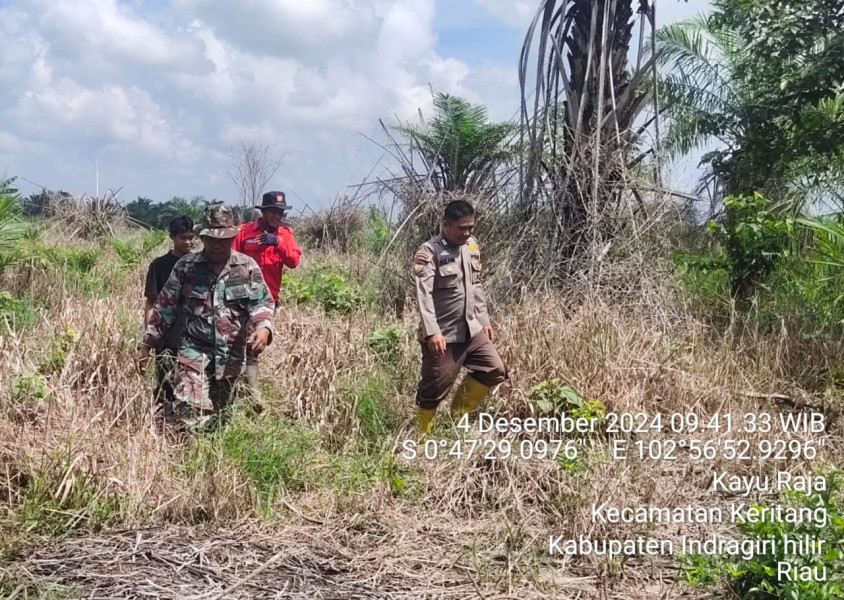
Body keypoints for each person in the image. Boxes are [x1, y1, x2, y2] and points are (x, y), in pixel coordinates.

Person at [136, 205, 275, 432]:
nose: (218, 245)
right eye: (212, 240)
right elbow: (165, 308)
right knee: (192, 410)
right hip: (194, 351)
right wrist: (147, 344)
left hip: (231, 355)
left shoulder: (246, 267)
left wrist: (264, 328)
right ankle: (191, 459)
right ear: (203, 238)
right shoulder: (186, 267)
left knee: (223, 417)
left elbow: (262, 303)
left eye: (224, 240)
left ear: (233, 237)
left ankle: (216, 460)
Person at [411, 200, 507, 434]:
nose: (467, 233)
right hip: (444, 334)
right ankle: (422, 439)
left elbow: (476, 286)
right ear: (446, 225)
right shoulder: (429, 252)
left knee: (495, 369)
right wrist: (432, 331)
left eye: (470, 227)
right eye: (461, 228)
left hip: (472, 329)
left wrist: (484, 321)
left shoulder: (471, 246)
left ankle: (457, 418)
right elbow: (424, 296)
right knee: (433, 391)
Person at [233, 190, 301, 390]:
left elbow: (294, 262)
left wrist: (278, 243)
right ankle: (247, 390)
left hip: (267, 301)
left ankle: (249, 390)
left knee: (255, 345)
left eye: (281, 212)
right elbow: (231, 263)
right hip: (242, 298)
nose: (278, 216)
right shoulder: (244, 233)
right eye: (273, 211)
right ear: (264, 211)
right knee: (238, 342)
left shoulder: (285, 236)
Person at [142, 215, 195, 418]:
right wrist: (149, 339)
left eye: (191, 237)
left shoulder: (198, 264)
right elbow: (151, 304)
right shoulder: (160, 266)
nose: (188, 242)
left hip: (193, 337)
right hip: (166, 336)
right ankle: (164, 423)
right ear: (172, 237)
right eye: (183, 237)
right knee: (165, 384)